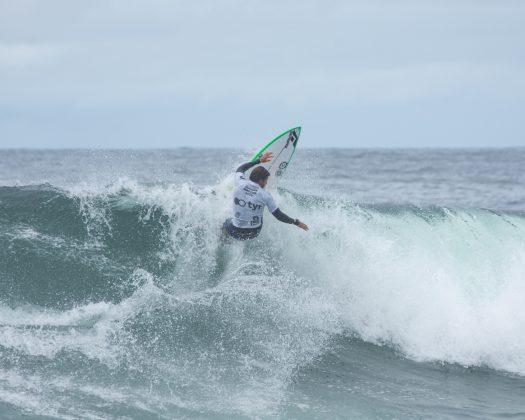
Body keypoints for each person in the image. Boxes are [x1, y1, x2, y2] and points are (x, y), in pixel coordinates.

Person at [223, 152, 309, 240]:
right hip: (253, 233)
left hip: (234, 231)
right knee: (261, 210)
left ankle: (224, 240)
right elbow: (278, 215)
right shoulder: (265, 195)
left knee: (225, 223)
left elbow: (240, 168)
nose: (267, 183)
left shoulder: (239, 183)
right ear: (261, 180)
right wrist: (296, 222)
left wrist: (259, 160)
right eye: (266, 180)